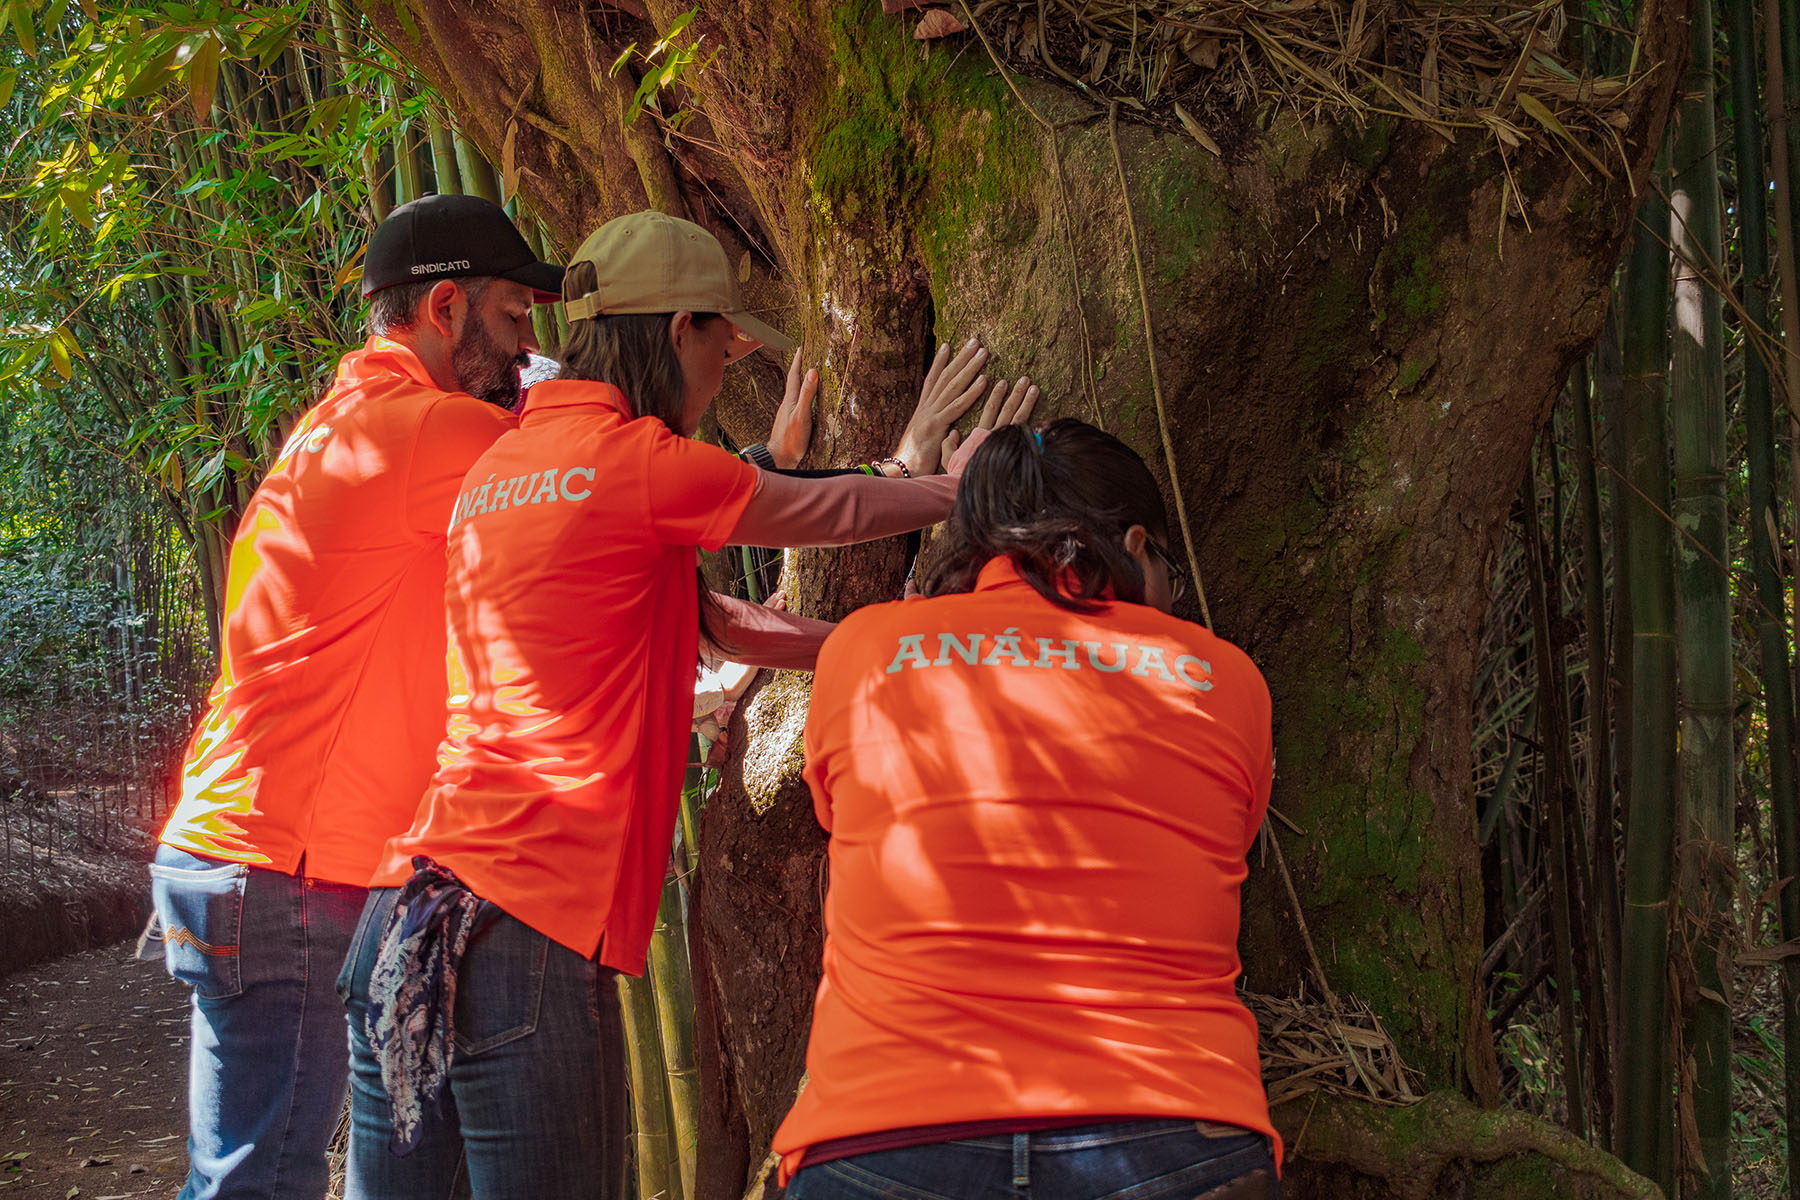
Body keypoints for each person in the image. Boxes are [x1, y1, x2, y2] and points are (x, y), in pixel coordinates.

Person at [336, 209, 992, 1200]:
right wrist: (955, 490)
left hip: (406, 916)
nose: (724, 374)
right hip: (525, 931)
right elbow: (818, 507)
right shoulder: (637, 461)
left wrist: (881, 641)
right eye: (724, 348)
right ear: (680, 331)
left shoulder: (505, 462)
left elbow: (710, 622)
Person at [143, 192, 563, 1200]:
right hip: (285, 871)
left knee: (239, 1173)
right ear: (446, 308)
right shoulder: (430, 429)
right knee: (260, 1183)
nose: (527, 349)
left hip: (232, 853)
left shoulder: (337, 422)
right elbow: (591, 488)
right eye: (515, 317)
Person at [772, 420, 1283, 1200]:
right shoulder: (1224, 677)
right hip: (1177, 1130)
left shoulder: (864, 650)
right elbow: (1228, 843)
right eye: (1168, 573)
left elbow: (841, 816)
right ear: (1136, 545)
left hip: (882, 1136)